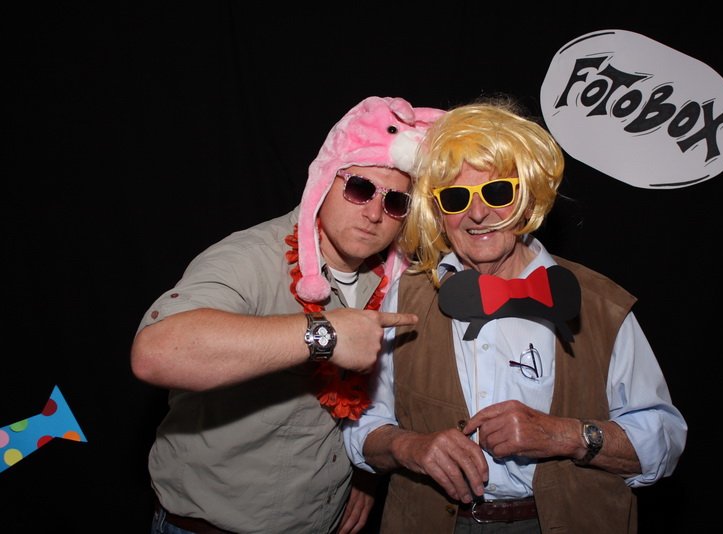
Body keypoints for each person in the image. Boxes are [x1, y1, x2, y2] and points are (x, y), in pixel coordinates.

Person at [343, 98, 688, 533]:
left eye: (498, 192)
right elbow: (363, 425)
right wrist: (408, 446)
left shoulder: (601, 304)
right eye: (456, 198)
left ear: (527, 200)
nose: (478, 213)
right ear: (439, 213)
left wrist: (564, 436)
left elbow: (664, 438)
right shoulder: (405, 296)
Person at [130, 96, 444, 534]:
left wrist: (365, 471)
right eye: (359, 188)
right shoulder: (252, 258)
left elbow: (373, 400)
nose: (374, 213)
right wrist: (324, 335)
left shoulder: (394, 282)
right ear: (325, 179)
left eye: (395, 202)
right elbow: (156, 352)